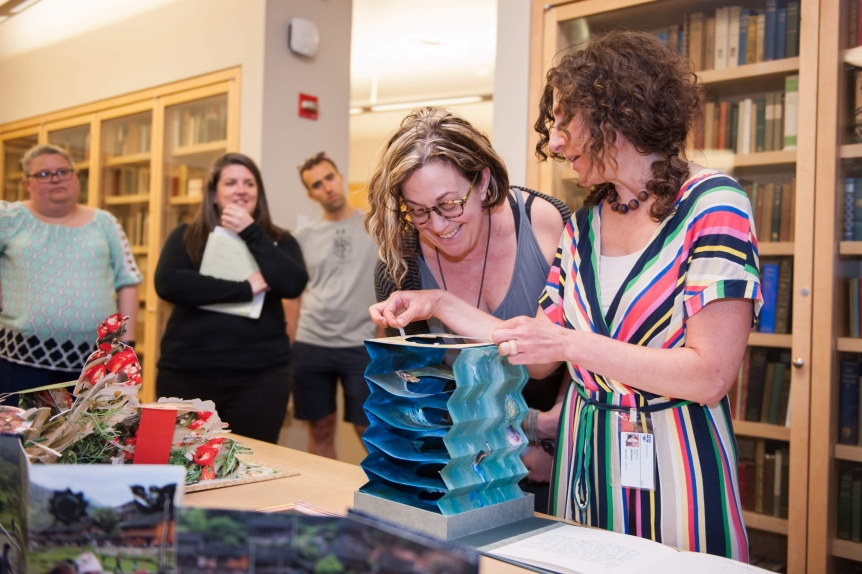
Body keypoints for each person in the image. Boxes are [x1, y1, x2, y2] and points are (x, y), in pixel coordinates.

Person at [370, 31, 759, 561]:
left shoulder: (714, 204)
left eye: (561, 121)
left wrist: (572, 345)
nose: (552, 143)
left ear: (614, 116)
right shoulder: (586, 225)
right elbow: (534, 355)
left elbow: (710, 375)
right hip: (581, 462)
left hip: (677, 459)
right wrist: (437, 304)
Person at [364, 107, 570, 511]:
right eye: (419, 211)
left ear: (483, 181)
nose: (439, 225)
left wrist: (553, 432)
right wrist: (516, 442)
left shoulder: (546, 222)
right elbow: (417, 391)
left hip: (560, 447)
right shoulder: (400, 265)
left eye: (449, 204)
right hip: (463, 459)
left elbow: (580, 341)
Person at [154, 153, 307, 443]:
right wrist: (246, 288)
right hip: (187, 375)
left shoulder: (279, 240)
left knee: (253, 463)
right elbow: (169, 283)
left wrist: (251, 231)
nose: (241, 189)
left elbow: (292, 283)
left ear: (258, 194)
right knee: (182, 459)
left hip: (260, 380)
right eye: (231, 182)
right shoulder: (186, 236)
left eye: (249, 183)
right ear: (214, 193)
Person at [0, 144, 140, 402]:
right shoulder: (8, 218)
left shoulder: (105, 222)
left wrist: (125, 348)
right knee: (18, 438)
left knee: (88, 439)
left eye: (62, 171)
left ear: (75, 177)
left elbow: (128, 281)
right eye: (43, 174)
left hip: (93, 364)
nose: (55, 179)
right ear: (26, 184)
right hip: (18, 362)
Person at [283, 152, 381, 459]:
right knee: (321, 427)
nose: (327, 187)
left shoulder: (374, 226)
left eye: (329, 178)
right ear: (311, 193)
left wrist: (382, 336)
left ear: (339, 177)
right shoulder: (302, 237)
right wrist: (290, 343)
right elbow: (293, 294)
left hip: (361, 344)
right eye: (317, 184)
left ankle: (375, 499)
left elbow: (391, 285)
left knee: (368, 429)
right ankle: (321, 503)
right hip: (312, 343)